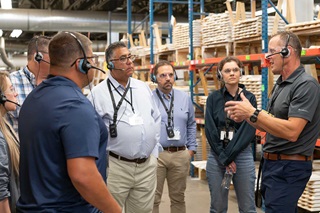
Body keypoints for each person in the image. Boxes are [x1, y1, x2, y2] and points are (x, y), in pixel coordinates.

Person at [16, 31, 121, 213]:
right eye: (91, 59)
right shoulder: (75, 106)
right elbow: (83, 176)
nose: (94, 64)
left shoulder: (34, 98)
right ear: (81, 64)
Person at [225, 31, 320, 213]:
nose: (268, 57)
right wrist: (248, 116)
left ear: (287, 51)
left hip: (289, 167)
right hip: (272, 165)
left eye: (271, 51)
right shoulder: (280, 84)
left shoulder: (306, 85)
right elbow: (269, 123)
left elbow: (292, 131)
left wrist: (253, 113)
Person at [87, 41, 161, 213]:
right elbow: (91, 133)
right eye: (123, 58)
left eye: (130, 57)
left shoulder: (142, 87)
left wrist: (154, 154)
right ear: (110, 64)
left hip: (146, 166)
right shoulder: (97, 94)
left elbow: (156, 119)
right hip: (116, 166)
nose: (129, 62)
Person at [205, 56, 257, 213]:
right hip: (217, 155)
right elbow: (210, 129)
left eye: (235, 70)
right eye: (227, 71)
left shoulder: (249, 98)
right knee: (218, 207)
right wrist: (223, 156)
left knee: (248, 208)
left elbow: (247, 132)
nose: (232, 73)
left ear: (240, 72)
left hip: (242, 154)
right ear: (221, 74)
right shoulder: (214, 98)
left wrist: (229, 157)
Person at [151, 61, 197, 213]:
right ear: (155, 78)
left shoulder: (184, 98)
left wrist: (190, 150)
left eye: (170, 75)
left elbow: (191, 124)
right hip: (157, 155)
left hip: (179, 154)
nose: (168, 78)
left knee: (178, 198)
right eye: (163, 75)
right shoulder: (149, 99)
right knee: (153, 198)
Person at [7, 35, 51, 133]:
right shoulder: (10, 83)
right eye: (53, 56)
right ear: (38, 57)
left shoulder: (58, 84)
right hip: (18, 147)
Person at [0, 71, 20, 213]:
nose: (16, 94)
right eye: (11, 89)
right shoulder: (0, 138)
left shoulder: (5, 126)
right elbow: (1, 193)